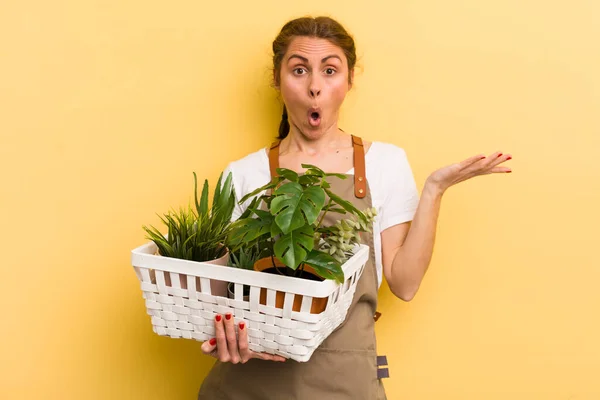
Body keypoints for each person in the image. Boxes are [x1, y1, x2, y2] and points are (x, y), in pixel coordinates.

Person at [197, 16, 512, 399]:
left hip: (346, 383)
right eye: (299, 70)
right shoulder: (243, 175)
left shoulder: (385, 164)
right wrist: (221, 332)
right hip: (247, 385)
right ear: (277, 80)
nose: (315, 87)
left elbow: (405, 283)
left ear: (348, 82)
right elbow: (215, 297)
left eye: (330, 71)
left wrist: (434, 190)